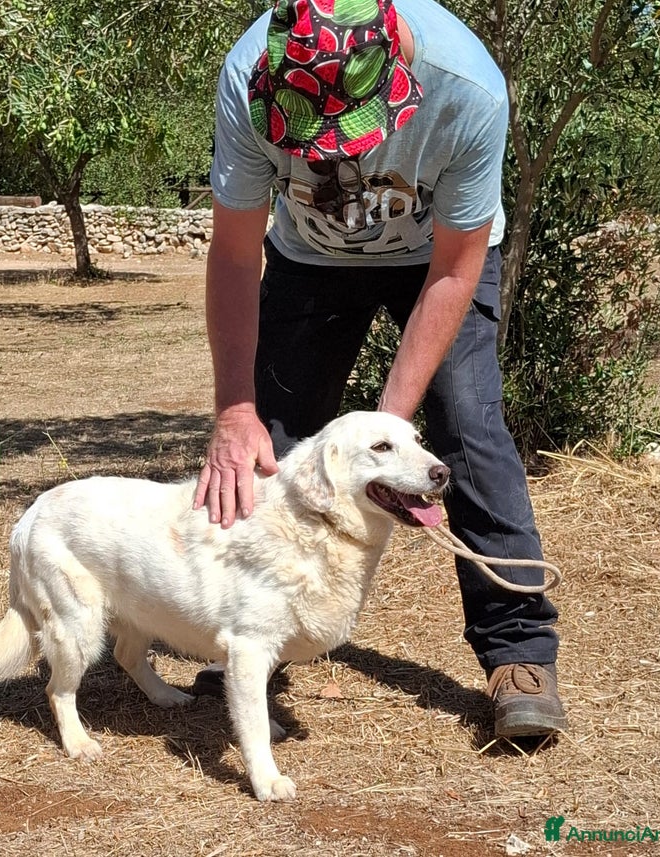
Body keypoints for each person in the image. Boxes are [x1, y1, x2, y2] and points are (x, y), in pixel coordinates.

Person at [190, 0, 567, 737]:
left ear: (400, 81)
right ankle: (246, 630)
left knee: (466, 424)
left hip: (438, 260)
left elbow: (457, 270)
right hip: (309, 257)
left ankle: (519, 652)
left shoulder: (468, 89)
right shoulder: (248, 74)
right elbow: (236, 252)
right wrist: (233, 410)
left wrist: (390, 434)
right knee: (270, 434)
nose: (329, 154)